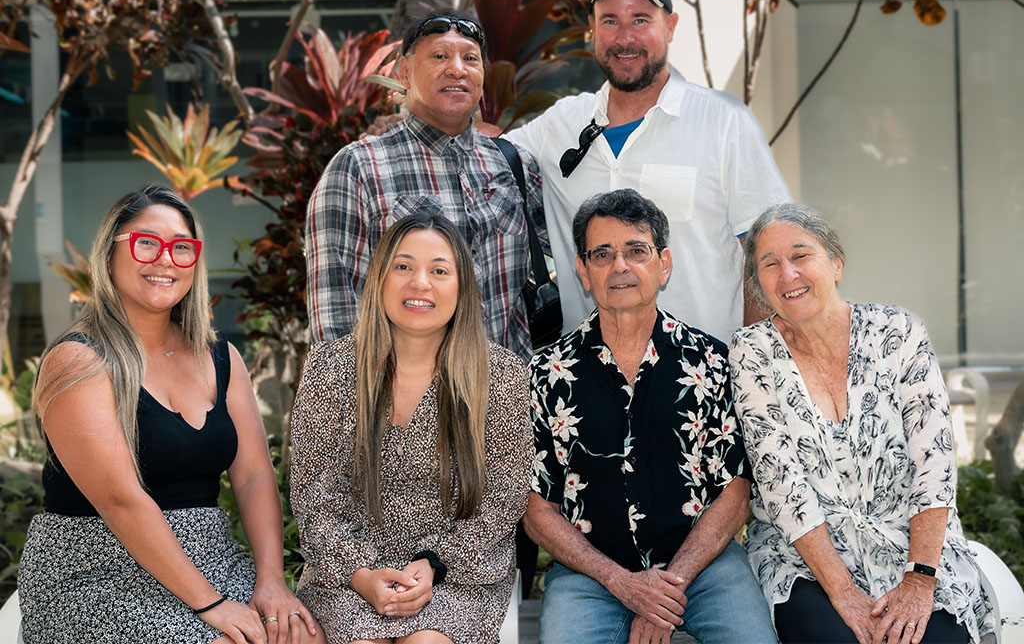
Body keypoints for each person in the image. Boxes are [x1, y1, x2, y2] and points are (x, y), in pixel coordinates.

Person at [17, 183, 317, 644]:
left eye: (181, 247)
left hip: (211, 558)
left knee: (301, 635)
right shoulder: (80, 359)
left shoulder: (221, 358)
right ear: (110, 254)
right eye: (146, 243)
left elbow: (255, 474)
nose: (164, 260)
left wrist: (271, 581)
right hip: (96, 572)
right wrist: (212, 606)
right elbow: (121, 501)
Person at [729, 203, 995, 644]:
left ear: (836, 262)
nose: (788, 275)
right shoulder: (751, 351)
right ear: (760, 285)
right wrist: (843, 592)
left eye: (800, 256)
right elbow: (782, 486)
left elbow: (936, 462)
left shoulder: (900, 333)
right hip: (806, 557)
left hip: (912, 547)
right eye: (769, 265)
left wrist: (920, 578)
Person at [525, 189, 778, 644]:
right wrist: (620, 582)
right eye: (602, 254)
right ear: (582, 271)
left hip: (702, 567)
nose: (619, 266)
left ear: (664, 264)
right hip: (591, 576)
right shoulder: (546, 374)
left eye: (635, 251)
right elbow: (536, 508)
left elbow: (736, 493)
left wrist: (665, 591)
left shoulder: (711, 362)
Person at [505, 0, 790, 343]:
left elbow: (767, 254)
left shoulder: (723, 122)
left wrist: (748, 368)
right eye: (609, 21)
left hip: (703, 384)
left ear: (670, 27)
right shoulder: (557, 125)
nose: (625, 38)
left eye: (640, 20)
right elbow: (482, 151)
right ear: (592, 29)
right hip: (586, 388)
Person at [290, 211, 532, 644]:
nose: (420, 283)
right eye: (403, 266)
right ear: (380, 278)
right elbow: (315, 494)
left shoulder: (500, 376)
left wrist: (435, 563)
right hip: (350, 572)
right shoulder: (331, 368)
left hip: (457, 573)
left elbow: (504, 497)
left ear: (462, 288)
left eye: (439, 270)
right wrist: (361, 575)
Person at [305, 8, 542, 363]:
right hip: (404, 405)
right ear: (404, 72)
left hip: (505, 401)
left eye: (470, 59)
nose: (457, 69)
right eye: (439, 56)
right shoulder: (359, 167)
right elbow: (335, 315)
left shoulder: (514, 164)